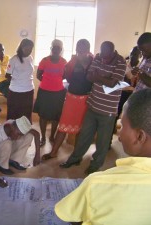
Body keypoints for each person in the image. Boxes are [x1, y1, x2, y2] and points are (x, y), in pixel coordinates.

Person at [55, 89, 151, 225]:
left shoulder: (98, 184)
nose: (120, 133)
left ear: (140, 137)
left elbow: (71, 217)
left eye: (122, 125)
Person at [59, 41, 126, 174]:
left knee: (102, 140)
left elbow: (113, 83)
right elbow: (89, 77)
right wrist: (104, 78)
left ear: (113, 52)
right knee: (85, 135)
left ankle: (96, 164)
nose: (103, 57)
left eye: (107, 55)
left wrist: (98, 76)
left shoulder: (120, 62)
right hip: (93, 105)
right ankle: (75, 158)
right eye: (102, 54)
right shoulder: (98, 57)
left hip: (108, 110)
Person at [42, 39, 93, 160]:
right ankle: (53, 152)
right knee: (63, 126)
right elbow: (68, 78)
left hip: (86, 99)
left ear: (88, 50)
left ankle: (76, 155)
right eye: (78, 49)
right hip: (72, 98)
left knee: (81, 129)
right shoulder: (73, 62)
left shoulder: (93, 61)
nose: (79, 52)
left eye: (82, 49)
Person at [0, 116, 40, 187]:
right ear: (12, 128)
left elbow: (36, 133)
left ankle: (13, 160)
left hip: (6, 147)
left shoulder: (13, 124)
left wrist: (37, 155)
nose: (19, 137)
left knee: (29, 135)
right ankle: (1, 165)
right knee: (7, 143)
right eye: (18, 134)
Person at [33, 39, 67, 147]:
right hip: (45, 92)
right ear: (51, 49)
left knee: (56, 117)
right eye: (54, 48)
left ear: (61, 50)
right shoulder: (44, 60)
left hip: (58, 93)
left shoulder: (64, 62)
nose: (56, 50)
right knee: (43, 116)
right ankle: (43, 136)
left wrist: (55, 81)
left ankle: (52, 136)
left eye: (58, 48)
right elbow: (38, 75)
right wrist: (48, 82)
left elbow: (65, 75)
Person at [6, 38, 34, 123]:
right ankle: (12, 134)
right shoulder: (14, 59)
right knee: (14, 114)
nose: (29, 51)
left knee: (26, 114)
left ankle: (24, 132)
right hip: (16, 92)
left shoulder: (30, 58)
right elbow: (7, 75)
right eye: (27, 49)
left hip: (29, 90)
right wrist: (18, 79)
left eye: (31, 49)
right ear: (21, 47)